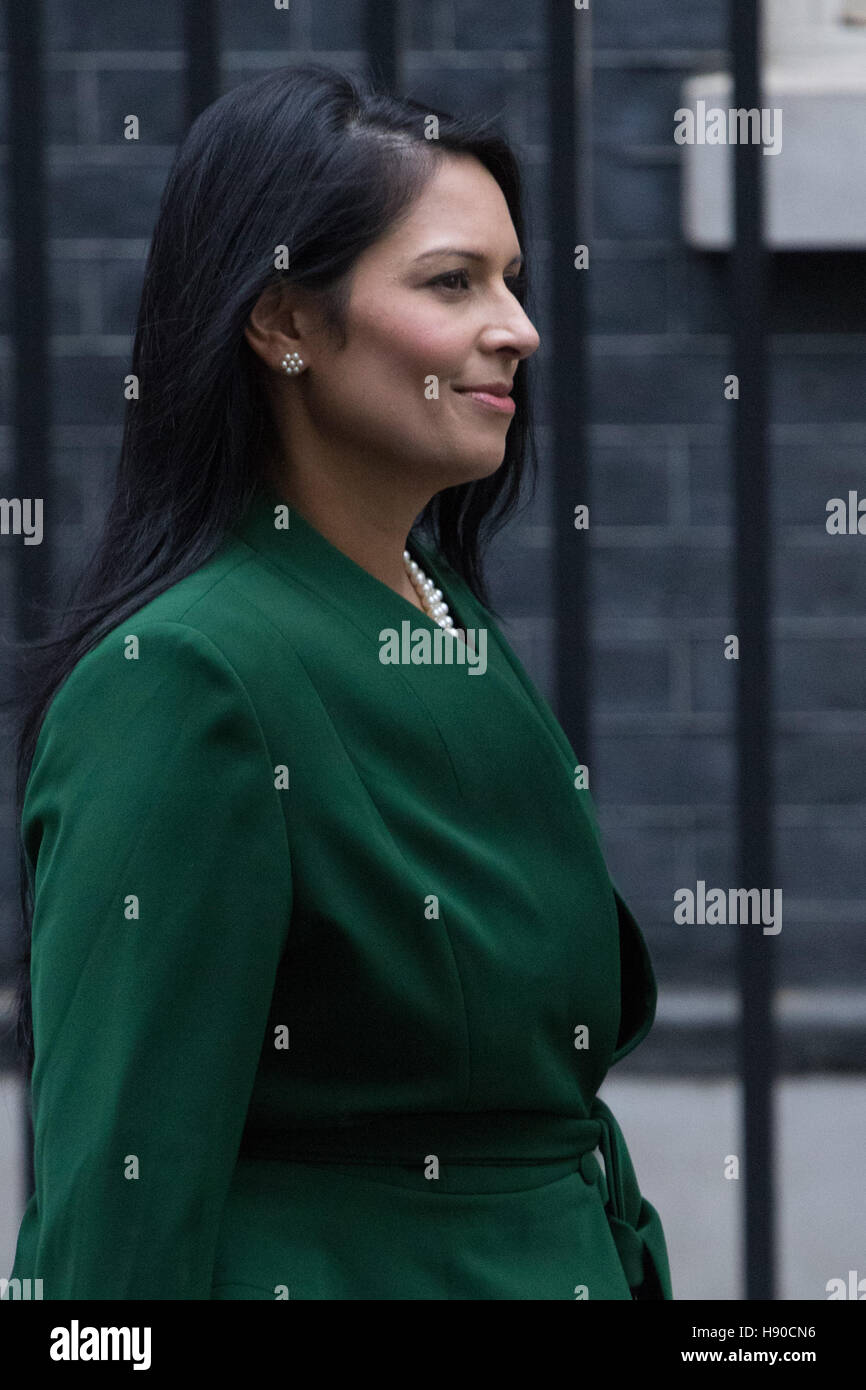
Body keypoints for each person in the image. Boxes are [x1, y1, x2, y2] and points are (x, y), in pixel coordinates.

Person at [7, 63, 672, 1300]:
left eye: (511, 281)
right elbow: (119, 1198)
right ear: (285, 324)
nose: (516, 327)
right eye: (449, 282)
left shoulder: (432, 609)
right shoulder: (188, 678)